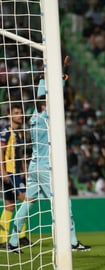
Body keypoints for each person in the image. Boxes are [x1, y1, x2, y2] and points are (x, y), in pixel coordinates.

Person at [7, 75, 91, 254]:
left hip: (34, 166)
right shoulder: (45, 118)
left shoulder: (33, 118)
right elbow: (53, 96)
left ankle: (13, 241)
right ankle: (72, 241)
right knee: (64, 203)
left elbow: (41, 98)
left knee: (28, 203)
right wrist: (61, 81)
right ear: (44, 106)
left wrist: (42, 80)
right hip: (45, 168)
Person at [0, 104, 31, 248]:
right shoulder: (5, 132)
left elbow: (20, 156)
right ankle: (19, 236)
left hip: (18, 174)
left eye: (20, 113)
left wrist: (25, 171)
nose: (19, 115)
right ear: (9, 116)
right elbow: (1, 151)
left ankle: (5, 239)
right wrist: (3, 171)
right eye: (16, 113)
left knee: (10, 206)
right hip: (10, 173)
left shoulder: (18, 134)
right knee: (25, 200)